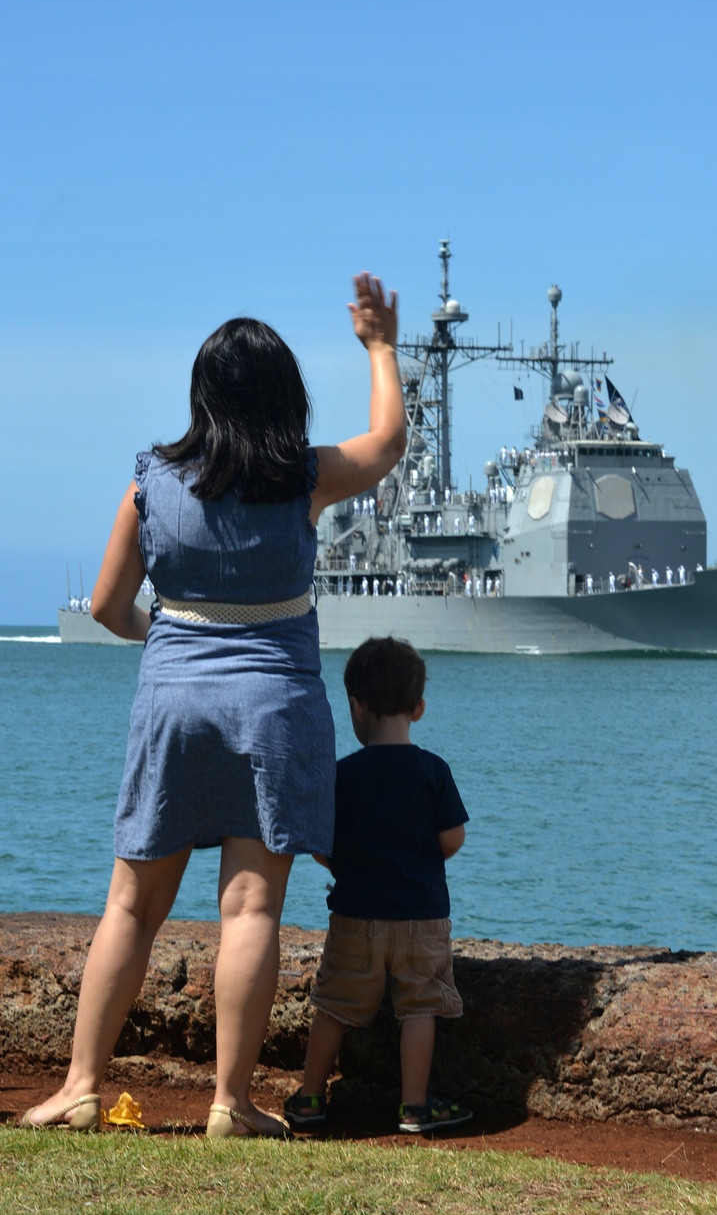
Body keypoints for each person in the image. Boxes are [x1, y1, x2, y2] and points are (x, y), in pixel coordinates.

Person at [21, 275, 406, 1138]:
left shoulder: (150, 484)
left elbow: (111, 606)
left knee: (131, 905)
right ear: (285, 397)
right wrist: (379, 344)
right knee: (250, 908)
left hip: (175, 700)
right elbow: (384, 444)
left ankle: (81, 1084)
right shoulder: (305, 478)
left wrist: (170, 633)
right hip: (275, 703)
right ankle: (230, 1103)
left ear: (201, 394)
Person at [284, 636, 471, 1136]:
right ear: (419, 708)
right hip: (421, 919)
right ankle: (413, 1108)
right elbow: (452, 837)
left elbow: (319, 845)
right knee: (420, 1007)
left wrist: (346, 864)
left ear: (356, 707)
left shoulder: (342, 776)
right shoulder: (434, 771)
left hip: (355, 918)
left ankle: (308, 1097)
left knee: (334, 1006)